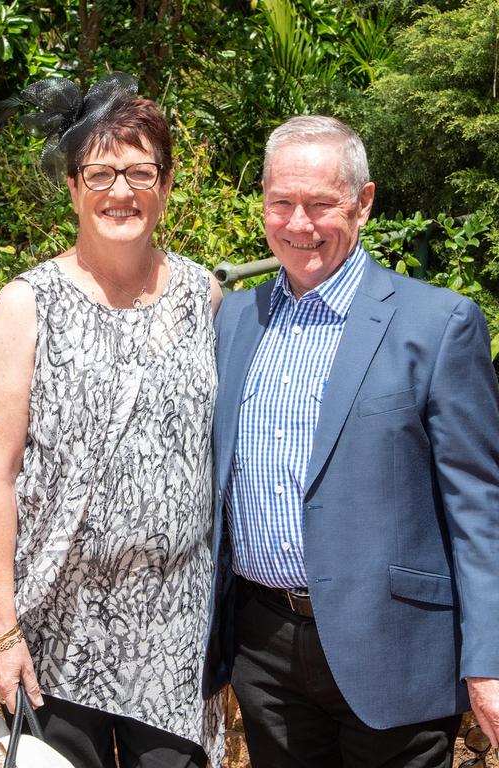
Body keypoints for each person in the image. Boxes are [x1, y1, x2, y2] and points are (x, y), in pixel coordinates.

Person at [203, 115, 499, 767]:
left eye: (320, 204)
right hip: (265, 649)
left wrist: (489, 662)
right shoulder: (235, 325)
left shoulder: (438, 324)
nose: (298, 224)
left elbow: (480, 510)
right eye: (281, 202)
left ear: (363, 204)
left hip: (395, 647)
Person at [0, 74, 225, 768]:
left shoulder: (202, 296)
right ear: (74, 187)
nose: (122, 191)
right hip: (54, 625)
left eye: (141, 172)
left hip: (173, 628)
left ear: (167, 185)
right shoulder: (27, 304)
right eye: (101, 173)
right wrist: (1, 633)